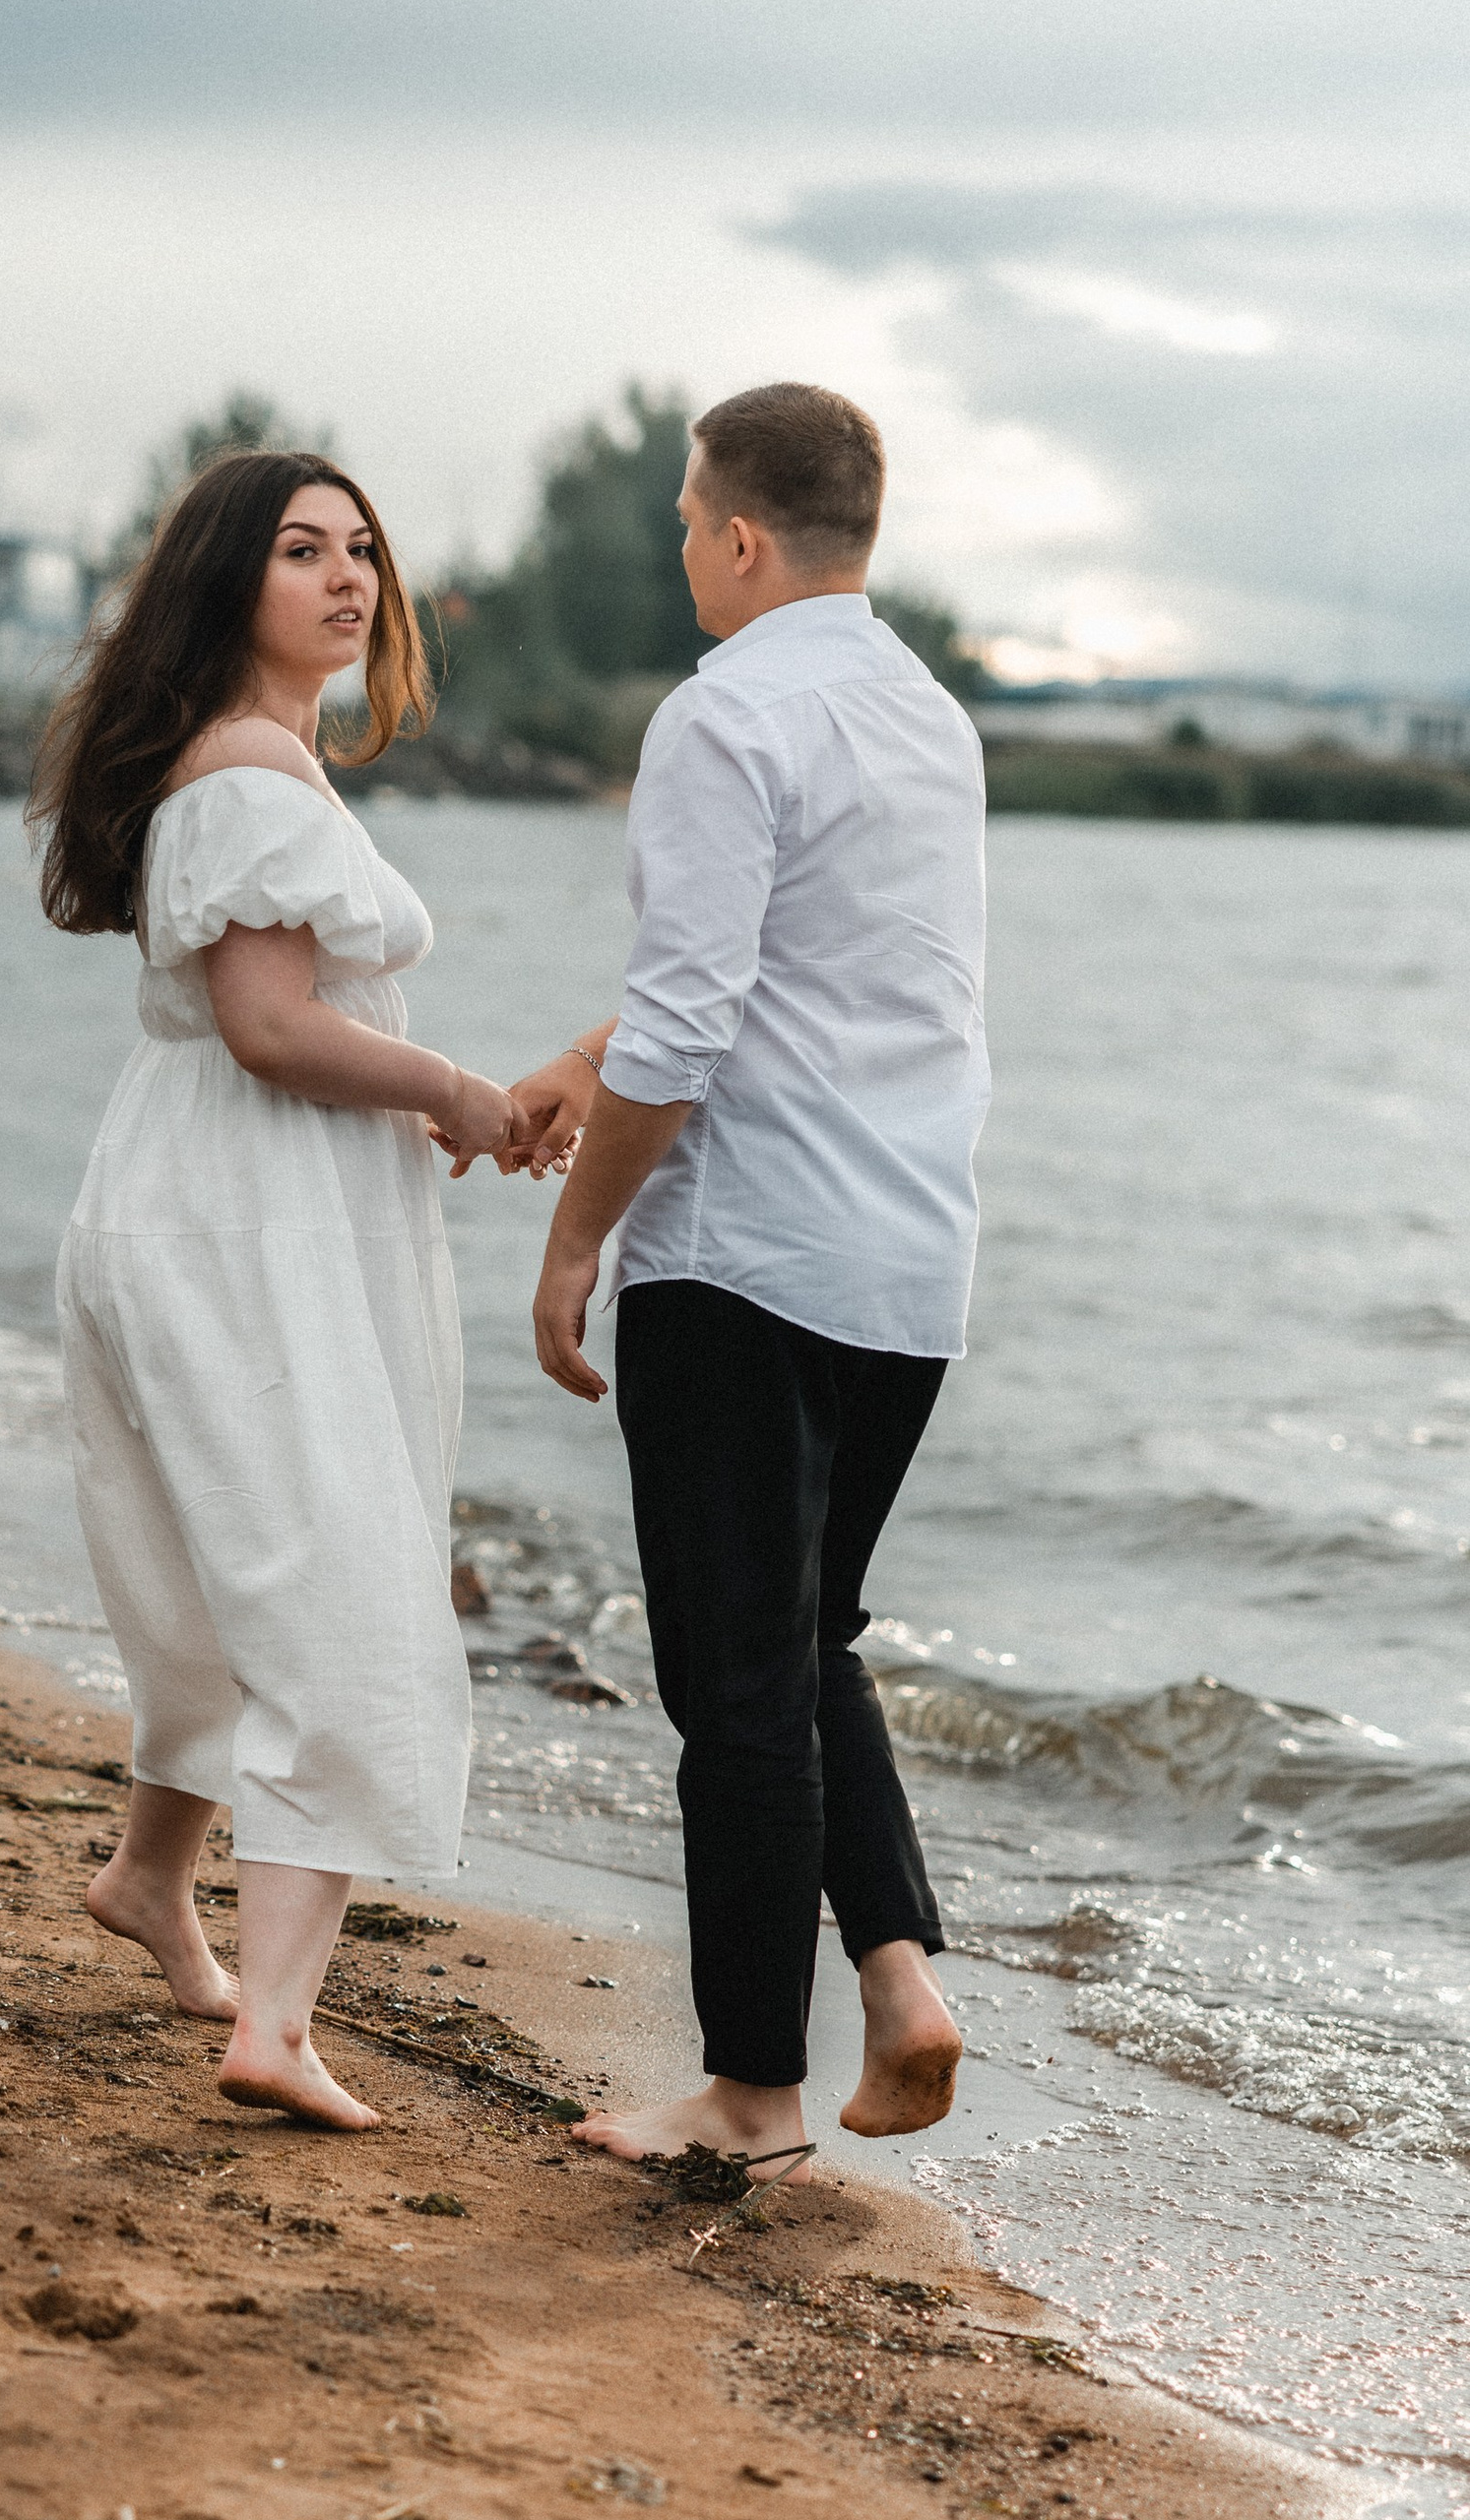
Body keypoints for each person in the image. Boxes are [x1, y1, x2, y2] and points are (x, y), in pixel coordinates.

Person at [508, 382, 984, 2173]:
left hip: (747, 1259)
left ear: (737, 536)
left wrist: (579, 1235)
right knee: (803, 1640)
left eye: (685, 525)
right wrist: (589, 1057)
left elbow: (698, 1023)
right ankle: (901, 1982)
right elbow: (809, 978)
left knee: (736, 1683)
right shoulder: (930, 717)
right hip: (909, 1256)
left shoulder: (724, 713)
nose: (683, 554)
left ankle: (752, 2095)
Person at [32, 449, 516, 2130]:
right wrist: (454, 1091)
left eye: (362, 548)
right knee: (338, 1583)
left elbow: (274, 1025)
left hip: (192, 1199)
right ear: (227, 580)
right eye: (303, 550)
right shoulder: (248, 775)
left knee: (216, 1569)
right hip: (251, 1223)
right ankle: (281, 2023)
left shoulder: (235, 760)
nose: (348, 577)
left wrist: (429, 1098)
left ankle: (150, 1879)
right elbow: (268, 1028)